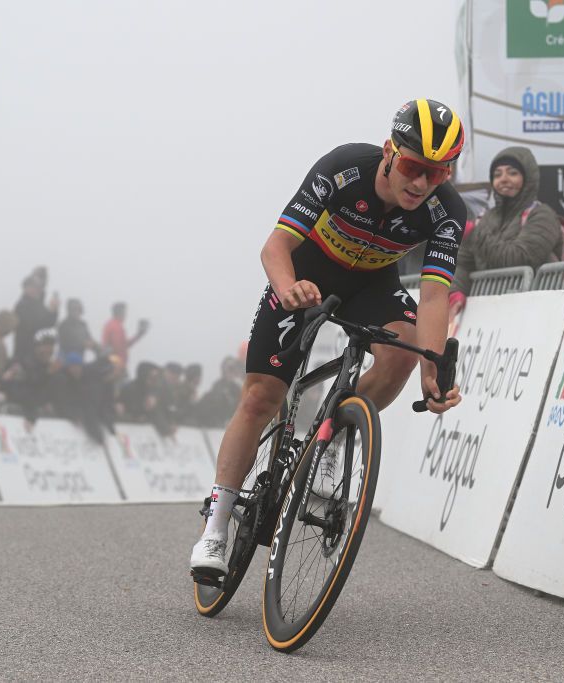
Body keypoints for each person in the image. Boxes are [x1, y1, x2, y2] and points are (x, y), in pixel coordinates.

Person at [190, 98, 465, 576]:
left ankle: (330, 441)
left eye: (438, 174)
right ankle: (214, 528)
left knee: (402, 354)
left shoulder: (446, 211)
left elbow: (435, 296)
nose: (421, 183)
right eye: (414, 167)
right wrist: (288, 287)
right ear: (389, 151)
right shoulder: (344, 170)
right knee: (260, 397)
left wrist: (432, 367)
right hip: (306, 275)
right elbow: (276, 246)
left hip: (372, 284)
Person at [448, 146, 561, 317]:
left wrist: (474, 233)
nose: (504, 179)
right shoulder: (485, 217)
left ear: (528, 178)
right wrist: (456, 292)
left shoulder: (542, 215)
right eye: (497, 174)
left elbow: (519, 258)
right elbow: (463, 263)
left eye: (512, 173)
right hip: (491, 313)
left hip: (535, 312)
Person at [12, 274, 59, 362]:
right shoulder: (22, 305)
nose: (35, 289)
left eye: (38, 287)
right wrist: (50, 313)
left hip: (39, 352)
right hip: (25, 352)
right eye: (32, 286)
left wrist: (53, 312)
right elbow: (33, 326)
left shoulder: (39, 305)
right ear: (25, 288)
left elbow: (48, 325)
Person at [101, 302, 148, 373]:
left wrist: (139, 334)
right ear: (120, 312)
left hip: (113, 363)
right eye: (125, 312)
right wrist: (120, 364)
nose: (126, 315)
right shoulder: (116, 327)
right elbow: (119, 348)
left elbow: (122, 345)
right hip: (115, 366)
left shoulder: (112, 325)